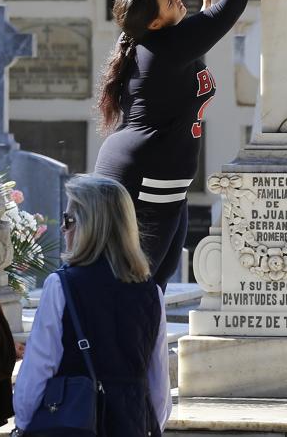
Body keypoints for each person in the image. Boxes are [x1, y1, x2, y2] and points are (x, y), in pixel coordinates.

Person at [93, 0, 270, 290]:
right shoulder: (165, 46)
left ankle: (139, 350)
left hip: (155, 174)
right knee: (132, 284)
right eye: (169, 0)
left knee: (152, 282)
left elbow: (185, 66)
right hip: (145, 177)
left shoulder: (159, 45)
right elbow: (231, 10)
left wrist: (202, 18)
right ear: (155, 23)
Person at [14, 174, 170, 436]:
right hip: (132, 425)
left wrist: (24, 424)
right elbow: (159, 386)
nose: (63, 229)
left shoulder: (61, 286)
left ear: (89, 225)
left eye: (68, 220)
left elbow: (38, 369)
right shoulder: (151, 292)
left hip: (72, 423)